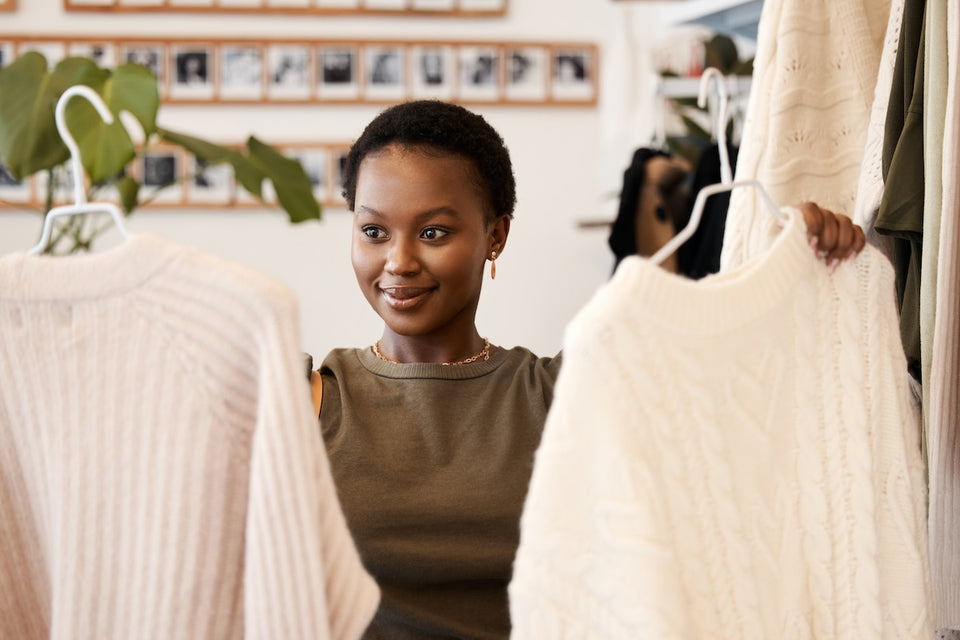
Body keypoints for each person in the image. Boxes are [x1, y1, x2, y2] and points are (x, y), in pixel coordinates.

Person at [310, 100, 866, 639]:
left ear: (495, 236)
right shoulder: (306, 399)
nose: (398, 262)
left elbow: (738, 369)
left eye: (433, 232)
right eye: (374, 231)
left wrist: (795, 256)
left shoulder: (568, 389)